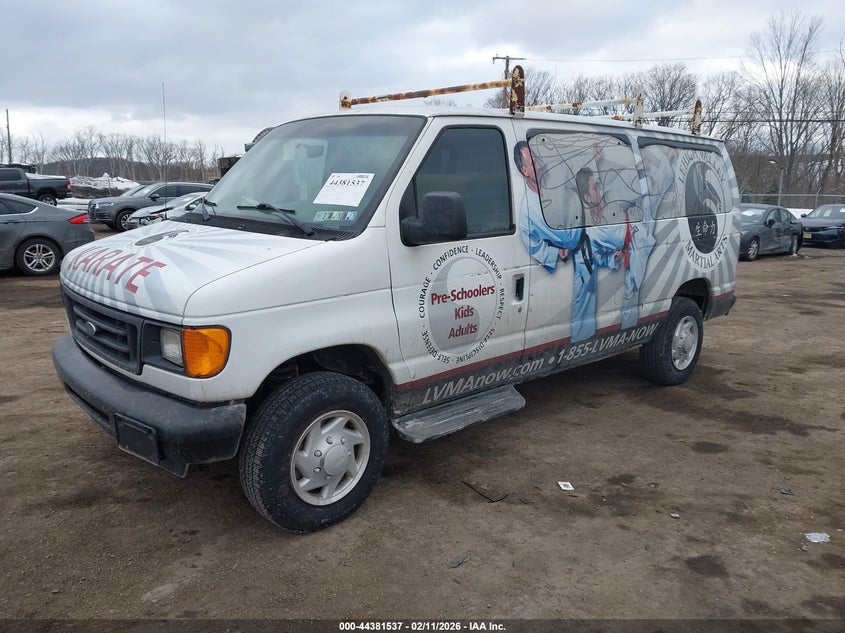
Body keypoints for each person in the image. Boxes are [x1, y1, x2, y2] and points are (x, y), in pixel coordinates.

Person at [514, 141, 601, 342]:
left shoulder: (555, 180)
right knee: (580, 309)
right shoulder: (527, 210)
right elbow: (533, 243)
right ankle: (581, 343)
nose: (540, 162)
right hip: (570, 256)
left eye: (537, 157)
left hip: (585, 245)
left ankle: (584, 347)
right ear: (524, 170)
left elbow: (575, 169)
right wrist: (555, 253)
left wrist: (593, 157)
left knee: (588, 306)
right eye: (533, 160)